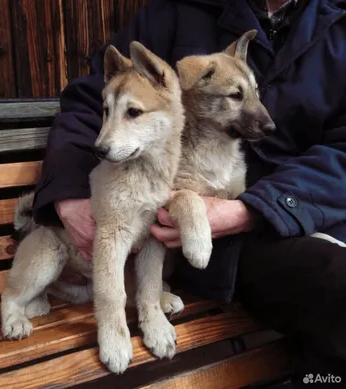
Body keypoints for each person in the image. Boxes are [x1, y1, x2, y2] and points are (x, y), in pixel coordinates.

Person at [33, 0, 346, 385]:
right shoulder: (177, 12)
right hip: (199, 239)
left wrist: (255, 209)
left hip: (300, 210)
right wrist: (70, 195)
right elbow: (92, 104)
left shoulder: (336, 28)